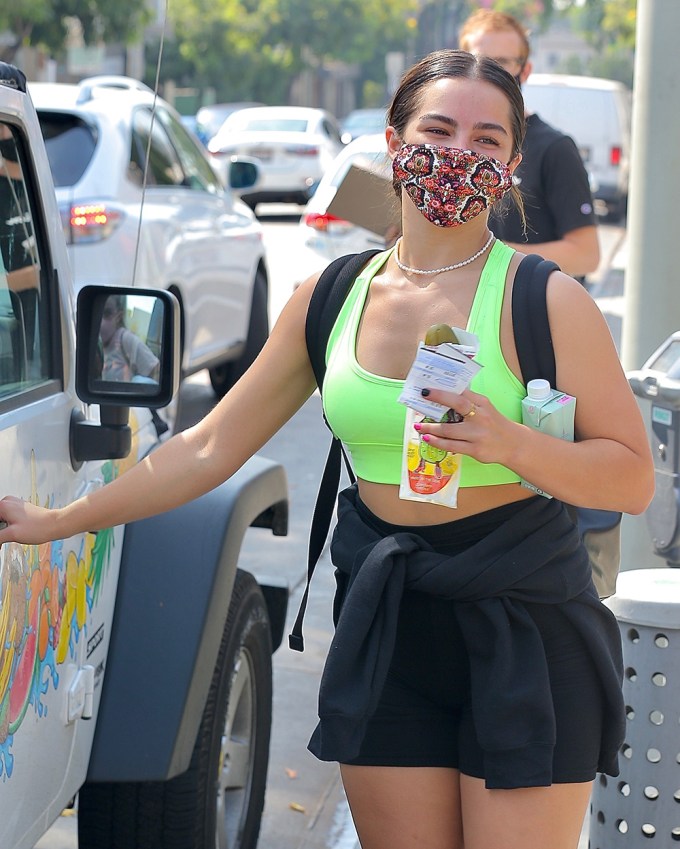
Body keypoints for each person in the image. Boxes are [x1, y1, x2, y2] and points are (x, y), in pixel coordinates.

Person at [0, 51, 653, 849]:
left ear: (512, 166)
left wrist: (509, 440)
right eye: (438, 130)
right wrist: (63, 518)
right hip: (390, 629)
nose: (459, 154)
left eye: (487, 140)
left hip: (527, 634)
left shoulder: (547, 299)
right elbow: (207, 446)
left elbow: (630, 476)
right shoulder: (332, 296)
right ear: (393, 142)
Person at [459, 9, 600, 281]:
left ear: (525, 70)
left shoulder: (555, 148)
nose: (488, 73)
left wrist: (494, 258)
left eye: (501, 62)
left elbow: (586, 254)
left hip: (525, 310)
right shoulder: (453, 145)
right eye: (479, 60)